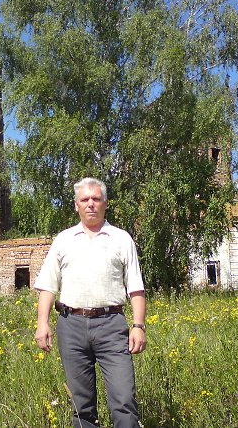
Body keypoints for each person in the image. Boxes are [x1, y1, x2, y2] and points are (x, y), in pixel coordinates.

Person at [34, 177, 147, 428]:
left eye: (96, 199)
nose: (91, 204)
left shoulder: (121, 239)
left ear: (105, 203)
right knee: (81, 407)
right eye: (85, 199)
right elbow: (48, 286)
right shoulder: (64, 239)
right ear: (76, 205)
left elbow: (136, 288)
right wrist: (42, 323)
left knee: (124, 401)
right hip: (71, 327)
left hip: (112, 326)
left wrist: (138, 326)